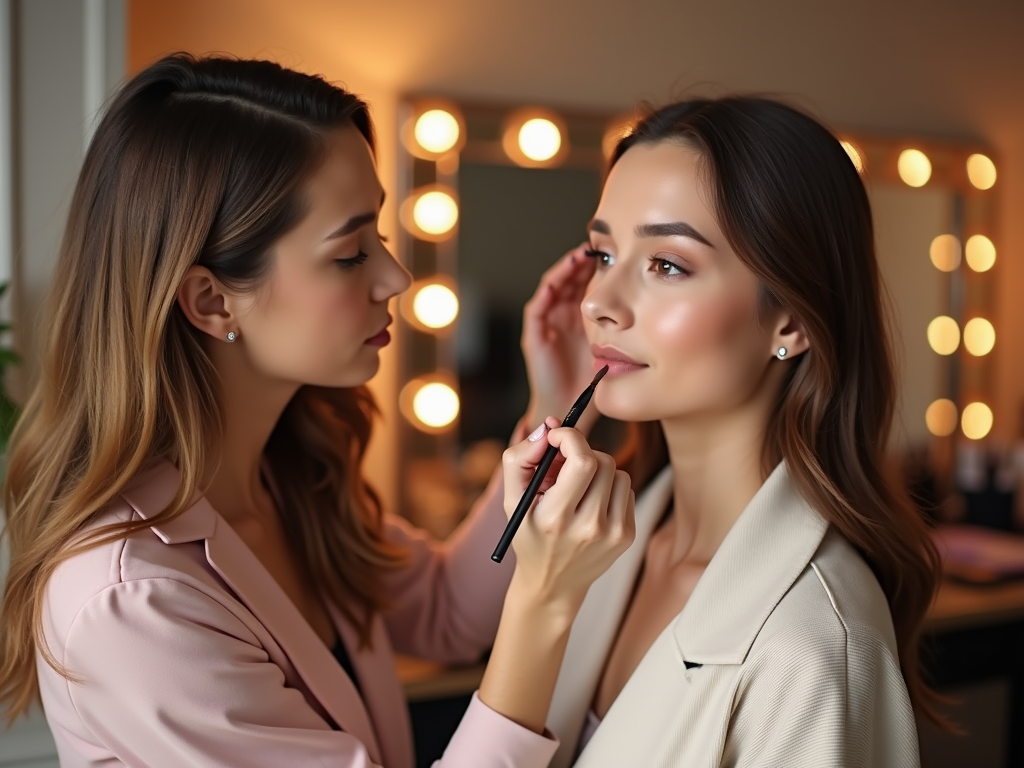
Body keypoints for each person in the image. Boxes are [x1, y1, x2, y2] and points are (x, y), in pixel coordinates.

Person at [0, 54, 635, 768]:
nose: (395, 278)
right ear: (212, 301)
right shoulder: (131, 601)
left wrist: (552, 404)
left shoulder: (288, 476)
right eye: (349, 253)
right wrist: (544, 605)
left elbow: (445, 612)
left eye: (384, 239)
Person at [527, 97, 942, 767]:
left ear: (792, 322)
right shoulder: (605, 552)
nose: (599, 303)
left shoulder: (814, 647)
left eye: (666, 265)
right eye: (603, 255)